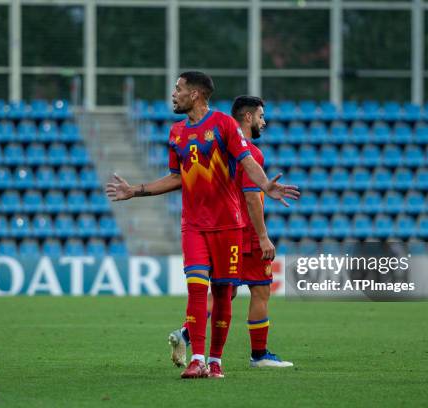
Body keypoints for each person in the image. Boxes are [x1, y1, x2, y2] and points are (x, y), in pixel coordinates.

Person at [106, 72, 300, 379]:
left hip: (228, 226)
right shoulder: (176, 132)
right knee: (196, 289)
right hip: (193, 225)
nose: (174, 94)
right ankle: (197, 359)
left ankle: (215, 361)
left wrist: (265, 185)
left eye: (178, 89)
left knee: (223, 294)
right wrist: (136, 191)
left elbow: (247, 159)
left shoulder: (223, 124)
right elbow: (175, 177)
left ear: (195, 94)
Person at [168, 96, 293, 369]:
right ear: (247, 118)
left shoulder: (220, 144)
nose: (264, 121)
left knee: (225, 292)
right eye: (260, 116)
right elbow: (251, 197)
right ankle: (258, 355)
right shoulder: (249, 153)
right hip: (243, 233)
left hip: (218, 227)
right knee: (260, 290)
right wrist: (262, 236)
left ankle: (186, 335)